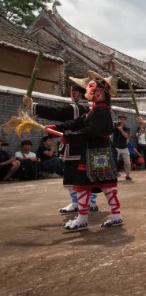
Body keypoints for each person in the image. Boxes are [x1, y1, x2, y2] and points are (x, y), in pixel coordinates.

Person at [47, 71, 123, 231]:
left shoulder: (102, 110)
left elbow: (91, 131)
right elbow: (77, 122)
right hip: (94, 151)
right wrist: (58, 127)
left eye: (92, 86)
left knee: (86, 184)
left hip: (98, 152)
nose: (88, 89)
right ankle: (110, 216)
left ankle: (87, 218)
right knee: (97, 185)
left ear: (101, 91)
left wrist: (69, 136)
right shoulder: (95, 109)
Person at [23, 80, 98, 212]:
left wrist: (32, 105)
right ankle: (90, 203)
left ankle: (78, 203)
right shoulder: (93, 109)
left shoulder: (77, 109)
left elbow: (56, 112)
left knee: (72, 176)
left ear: (77, 94)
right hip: (90, 148)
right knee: (88, 175)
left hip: (74, 148)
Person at [112, 115, 131, 181]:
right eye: (120, 119)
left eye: (123, 119)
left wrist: (121, 129)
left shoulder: (127, 128)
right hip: (116, 147)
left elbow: (126, 136)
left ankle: (127, 175)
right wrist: (112, 124)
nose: (121, 121)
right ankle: (114, 175)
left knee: (128, 163)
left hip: (124, 148)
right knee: (114, 162)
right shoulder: (115, 127)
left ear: (125, 121)